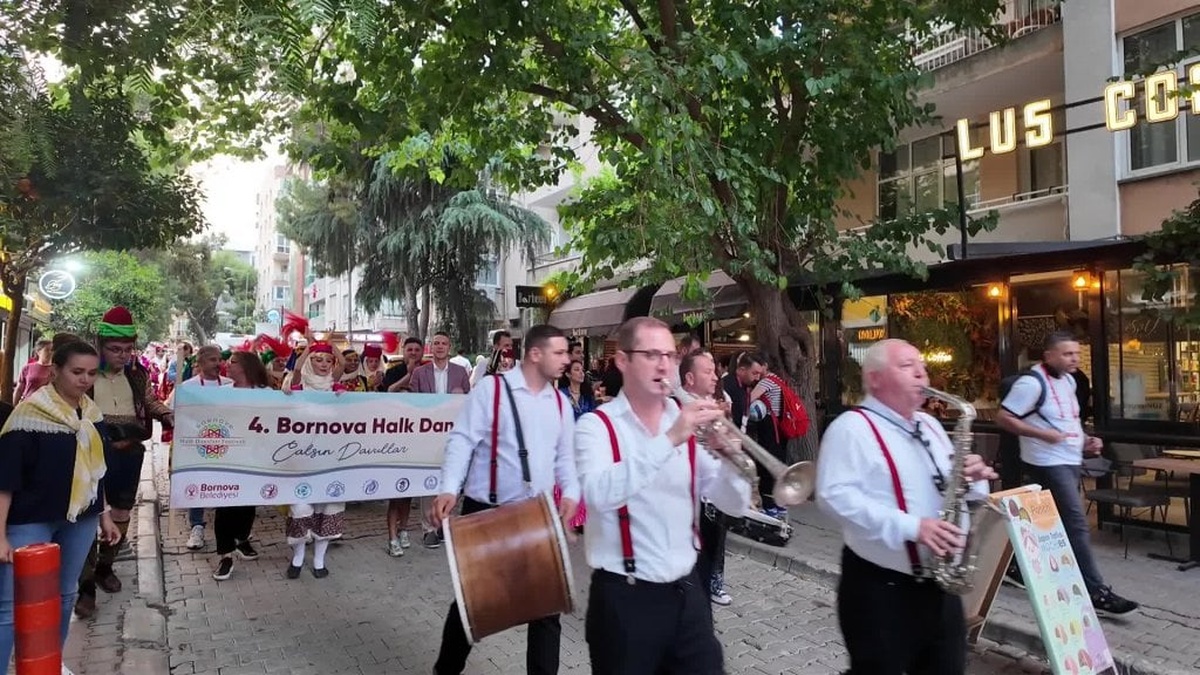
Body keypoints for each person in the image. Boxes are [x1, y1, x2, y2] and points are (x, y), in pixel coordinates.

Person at [575, 317, 751, 675]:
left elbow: (730, 504)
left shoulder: (685, 422)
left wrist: (732, 461)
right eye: (652, 354)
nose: (664, 365)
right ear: (622, 361)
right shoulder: (596, 426)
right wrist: (670, 438)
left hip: (688, 596)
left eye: (670, 355)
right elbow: (599, 493)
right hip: (625, 600)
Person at [816, 338, 997, 674]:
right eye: (907, 366)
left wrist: (973, 478)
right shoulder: (851, 428)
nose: (921, 374)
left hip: (941, 586)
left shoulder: (929, 425)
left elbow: (949, 487)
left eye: (922, 367)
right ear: (875, 378)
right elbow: (833, 496)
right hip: (882, 590)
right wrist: (913, 528)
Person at [429, 324, 577, 675]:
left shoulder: (560, 402)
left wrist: (571, 493)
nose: (566, 360)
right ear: (536, 354)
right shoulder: (491, 390)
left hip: (537, 516)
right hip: (486, 512)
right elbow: (462, 440)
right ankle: (445, 670)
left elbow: (566, 458)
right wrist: (449, 487)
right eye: (559, 353)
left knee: (546, 611)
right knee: (473, 602)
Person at [1, 336, 122, 675]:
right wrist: (0, 536)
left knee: (64, 596)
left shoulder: (92, 415)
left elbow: (94, 472)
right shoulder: (28, 416)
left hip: (80, 519)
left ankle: (48, 663)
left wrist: (105, 515)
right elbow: (5, 480)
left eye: (91, 373)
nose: (84, 380)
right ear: (55, 370)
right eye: (76, 372)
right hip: (29, 521)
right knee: (11, 604)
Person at [996, 331, 1137, 615]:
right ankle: (1095, 591)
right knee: (1076, 524)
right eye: (1067, 354)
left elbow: (1067, 420)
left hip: (1068, 459)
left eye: (1076, 353)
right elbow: (1004, 417)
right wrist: (1041, 435)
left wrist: (1085, 440)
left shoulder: (1070, 381)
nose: (1074, 358)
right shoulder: (1031, 383)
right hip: (1046, 462)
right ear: (1049, 355)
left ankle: (1013, 566)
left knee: (1045, 523)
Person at [76, 307, 173, 619]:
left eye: (128, 349)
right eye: (115, 350)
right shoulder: (86, 375)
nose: (122, 355)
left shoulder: (137, 374)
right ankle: (85, 585)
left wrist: (169, 415)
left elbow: (150, 402)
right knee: (88, 515)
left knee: (120, 511)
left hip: (129, 452)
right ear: (100, 345)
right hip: (90, 453)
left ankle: (106, 566)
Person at [282, 337, 347, 578]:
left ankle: (319, 561)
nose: (323, 364)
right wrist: (311, 345)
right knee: (300, 507)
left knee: (327, 507)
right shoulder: (298, 387)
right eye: (317, 359)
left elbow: (342, 363)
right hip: (301, 459)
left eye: (327, 360)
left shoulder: (336, 388)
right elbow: (297, 368)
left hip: (330, 460)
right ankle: (298, 557)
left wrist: (332, 345)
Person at [679, 350, 737, 606]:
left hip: (715, 498)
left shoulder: (713, 408)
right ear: (690, 378)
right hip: (690, 509)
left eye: (714, 371)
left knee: (711, 556)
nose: (715, 377)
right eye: (708, 371)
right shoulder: (677, 410)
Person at [210, 351, 270, 581]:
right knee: (225, 506)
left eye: (233, 362)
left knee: (247, 503)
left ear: (246, 366)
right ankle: (225, 555)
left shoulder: (266, 394)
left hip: (255, 458)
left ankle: (242, 539)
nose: (227, 365)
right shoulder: (222, 393)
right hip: (227, 458)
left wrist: (287, 395)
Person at [411, 332, 471, 550]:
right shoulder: (419, 373)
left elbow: (467, 402)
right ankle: (428, 528)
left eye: (444, 343)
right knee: (428, 482)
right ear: (431, 347)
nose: (440, 347)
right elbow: (411, 404)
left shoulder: (460, 372)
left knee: (451, 479)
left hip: (453, 437)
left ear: (449, 347)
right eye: (436, 343)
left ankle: (446, 524)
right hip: (427, 436)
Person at [176, 344, 234, 551]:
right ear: (200, 363)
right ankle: (197, 526)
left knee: (224, 487)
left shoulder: (230, 385)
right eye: (212, 360)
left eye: (219, 359)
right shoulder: (189, 387)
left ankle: (230, 529)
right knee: (199, 485)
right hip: (198, 446)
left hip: (226, 445)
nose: (218, 364)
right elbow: (176, 414)